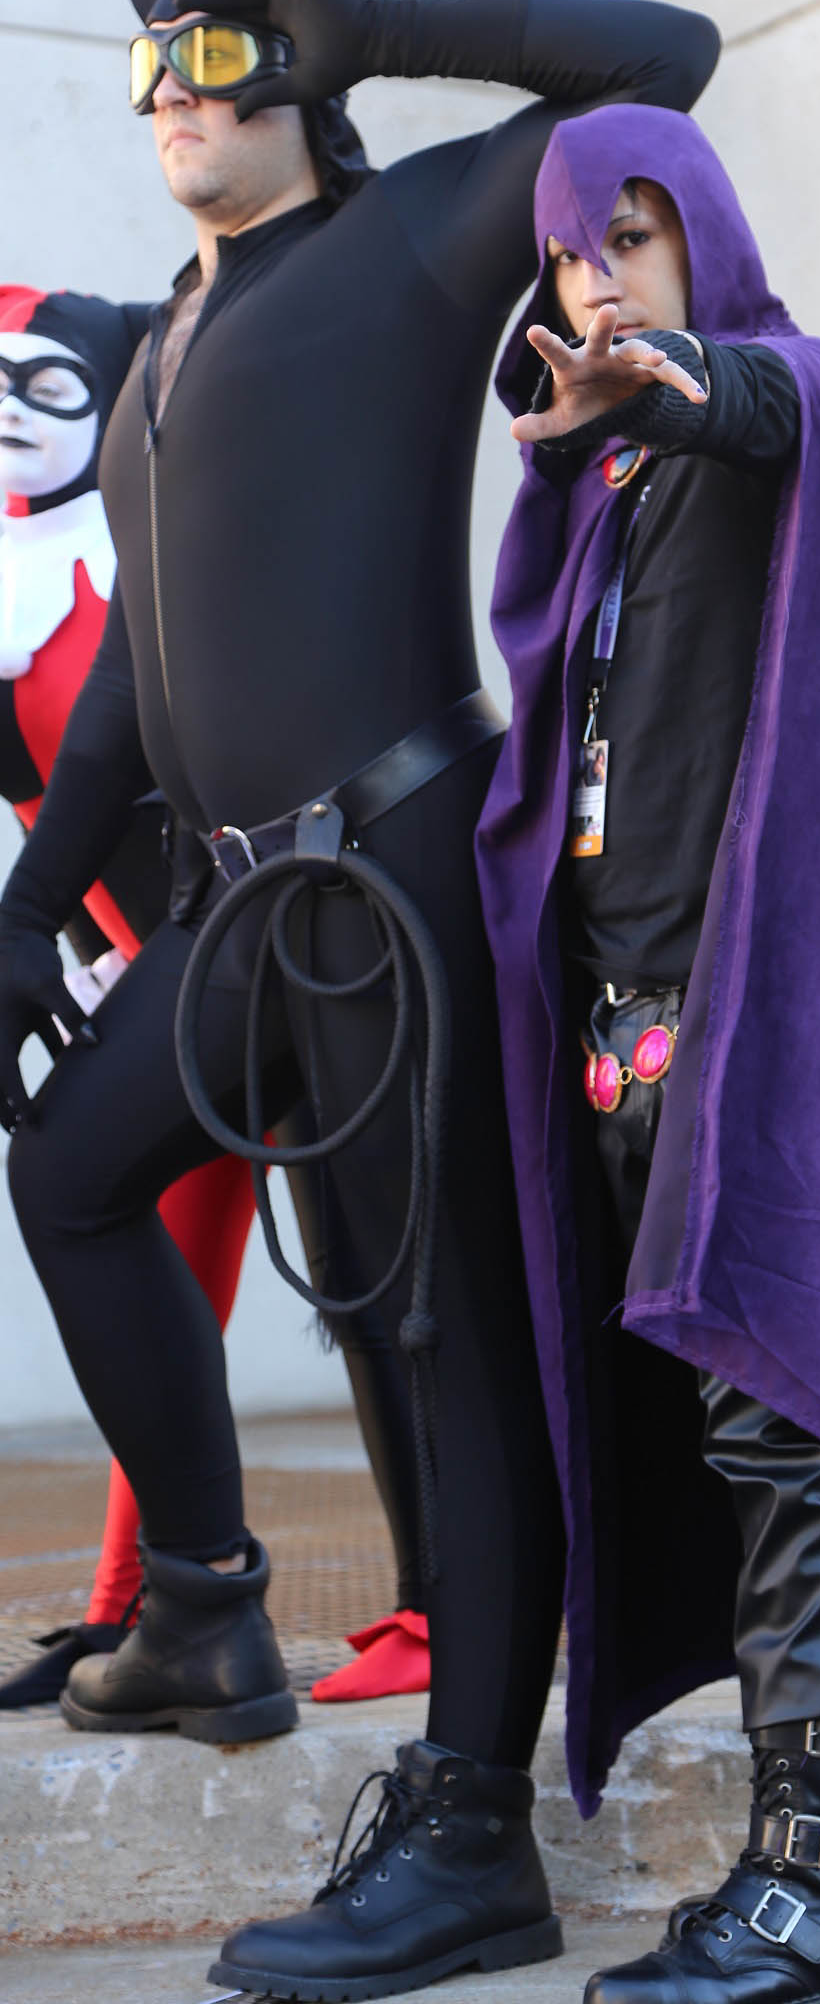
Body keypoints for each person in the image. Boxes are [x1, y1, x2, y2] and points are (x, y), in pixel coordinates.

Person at [0, 0, 717, 1996]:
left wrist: (391, 33)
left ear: (291, 72)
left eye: (214, 53)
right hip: (235, 896)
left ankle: (474, 1831)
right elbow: (138, 671)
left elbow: (661, 49)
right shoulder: (156, 354)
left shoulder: (408, 242)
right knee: (70, 1180)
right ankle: (205, 1596)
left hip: (400, 859)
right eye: (146, 70)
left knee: (443, 1346)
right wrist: (39, 898)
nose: (173, 95)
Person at [478, 107, 820, 2004]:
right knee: (786, 1415)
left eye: (638, 231)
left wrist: (672, 379)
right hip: (641, 1013)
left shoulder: (790, 398)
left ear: (703, 234)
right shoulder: (614, 491)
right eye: (573, 249)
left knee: (792, 1403)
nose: (602, 275)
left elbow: (756, 397)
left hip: (780, 992)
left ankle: (812, 1886)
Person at [0, 286, 426, 1712]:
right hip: (168, 968)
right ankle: (155, 1609)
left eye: (50, 384)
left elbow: (144, 750)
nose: (9, 408)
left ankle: (447, 1608)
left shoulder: (154, 536)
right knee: (120, 1240)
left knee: (381, 1275)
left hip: (279, 925)